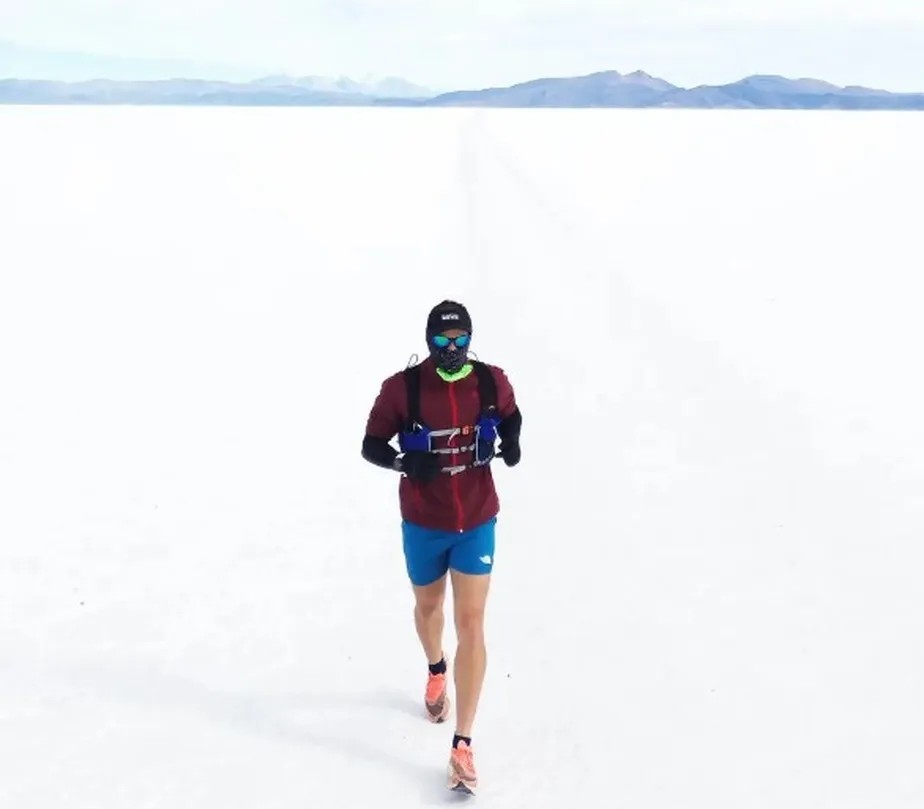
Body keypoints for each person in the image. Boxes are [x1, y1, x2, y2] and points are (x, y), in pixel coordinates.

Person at [361, 299, 522, 794]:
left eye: (459, 340)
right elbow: (370, 443)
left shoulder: (491, 381)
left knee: (471, 621)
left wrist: (512, 444)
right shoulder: (402, 389)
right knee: (428, 608)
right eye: (441, 341)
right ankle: (436, 668)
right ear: (428, 341)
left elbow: (513, 417)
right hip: (424, 522)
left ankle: (463, 745)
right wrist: (403, 465)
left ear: (470, 339)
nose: (451, 349)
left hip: (476, 518)